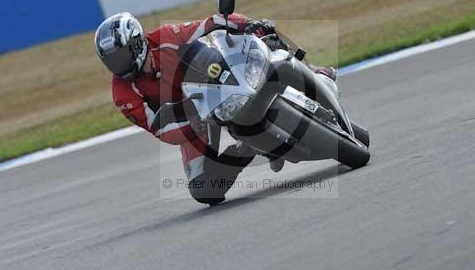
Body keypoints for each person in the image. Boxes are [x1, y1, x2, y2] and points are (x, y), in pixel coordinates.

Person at [94, 12, 336, 204]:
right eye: (112, 61)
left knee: (265, 35)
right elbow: (158, 127)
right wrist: (193, 121)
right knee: (204, 190)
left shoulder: (166, 36)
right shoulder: (122, 92)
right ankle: (247, 148)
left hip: (217, 78)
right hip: (190, 115)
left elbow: (211, 23)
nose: (119, 65)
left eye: (121, 56)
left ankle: (313, 71)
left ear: (136, 43)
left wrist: (246, 25)